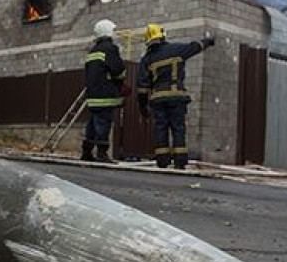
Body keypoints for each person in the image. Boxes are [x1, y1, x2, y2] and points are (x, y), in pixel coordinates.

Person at [136, 23, 214, 169]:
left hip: (158, 100)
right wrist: (208, 41)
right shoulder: (177, 49)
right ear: (163, 36)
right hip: (177, 97)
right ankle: (180, 161)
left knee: (161, 129)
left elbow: (142, 87)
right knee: (178, 128)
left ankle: (162, 161)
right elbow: (195, 47)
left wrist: (143, 108)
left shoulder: (147, 59)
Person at [81, 19, 127, 162]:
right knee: (103, 124)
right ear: (108, 32)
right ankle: (102, 153)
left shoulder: (92, 51)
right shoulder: (110, 49)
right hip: (105, 95)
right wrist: (121, 82)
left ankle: (87, 152)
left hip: (92, 95)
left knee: (92, 124)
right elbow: (118, 70)